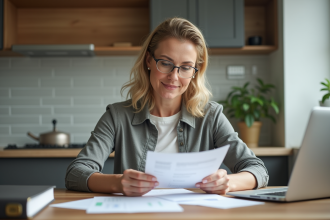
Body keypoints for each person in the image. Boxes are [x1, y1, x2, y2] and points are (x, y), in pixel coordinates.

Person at [65, 17, 269, 196]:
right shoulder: (117, 116)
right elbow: (76, 173)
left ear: (195, 71)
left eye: (186, 67)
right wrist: (118, 183)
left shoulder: (211, 116)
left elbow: (257, 169)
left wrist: (228, 182)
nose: (174, 76)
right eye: (165, 63)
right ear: (148, 61)